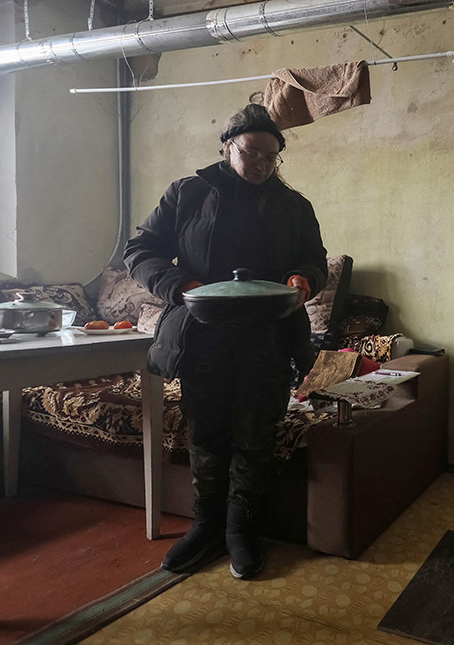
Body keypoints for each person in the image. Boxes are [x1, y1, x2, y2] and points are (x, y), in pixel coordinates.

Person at [124, 104, 327, 580]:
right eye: (251, 152)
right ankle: (207, 525)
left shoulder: (294, 205)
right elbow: (141, 250)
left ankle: (241, 529)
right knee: (208, 434)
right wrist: (181, 286)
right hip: (202, 335)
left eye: (270, 157)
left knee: (255, 437)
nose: (260, 163)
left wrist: (303, 280)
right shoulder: (188, 193)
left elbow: (313, 257)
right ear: (227, 146)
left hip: (269, 338)